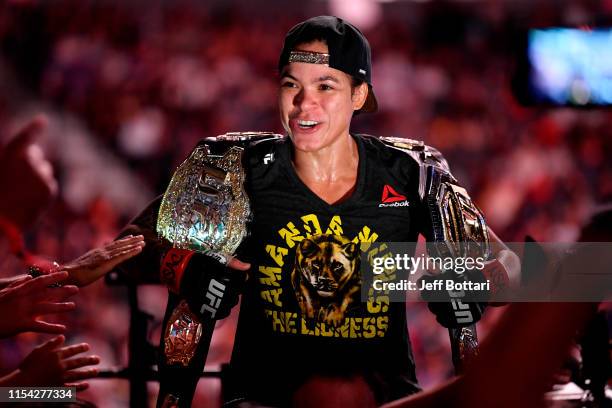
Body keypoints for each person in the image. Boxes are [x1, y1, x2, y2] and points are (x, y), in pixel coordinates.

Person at [115, 16, 520, 407]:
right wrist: (184, 267)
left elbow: (515, 271)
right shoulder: (235, 166)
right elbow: (127, 249)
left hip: (384, 400)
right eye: (291, 84)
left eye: (325, 86)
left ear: (358, 94)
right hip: (264, 400)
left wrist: (473, 285)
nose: (303, 103)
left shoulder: (411, 172)